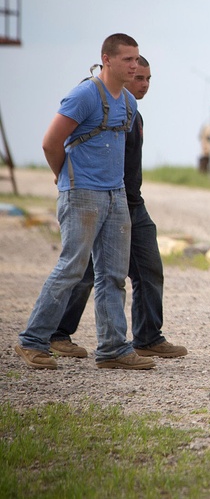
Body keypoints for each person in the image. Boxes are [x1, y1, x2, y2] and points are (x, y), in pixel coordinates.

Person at [15, 33, 154, 370]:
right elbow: (51, 142)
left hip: (115, 195)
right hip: (82, 195)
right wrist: (65, 179)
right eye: (128, 60)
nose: (134, 66)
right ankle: (32, 341)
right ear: (107, 59)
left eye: (137, 59)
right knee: (71, 269)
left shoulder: (129, 103)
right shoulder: (84, 95)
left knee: (113, 276)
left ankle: (113, 349)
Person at [48, 56, 188, 360]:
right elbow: (57, 142)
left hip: (131, 203)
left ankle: (148, 337)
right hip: (98, 199)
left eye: (149, 79)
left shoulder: (132, 112)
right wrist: (67, 180)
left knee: (149, 268)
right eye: (139, 78)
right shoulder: (96, 102)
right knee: (83, 271)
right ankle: (56, 335)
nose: (145, 85)